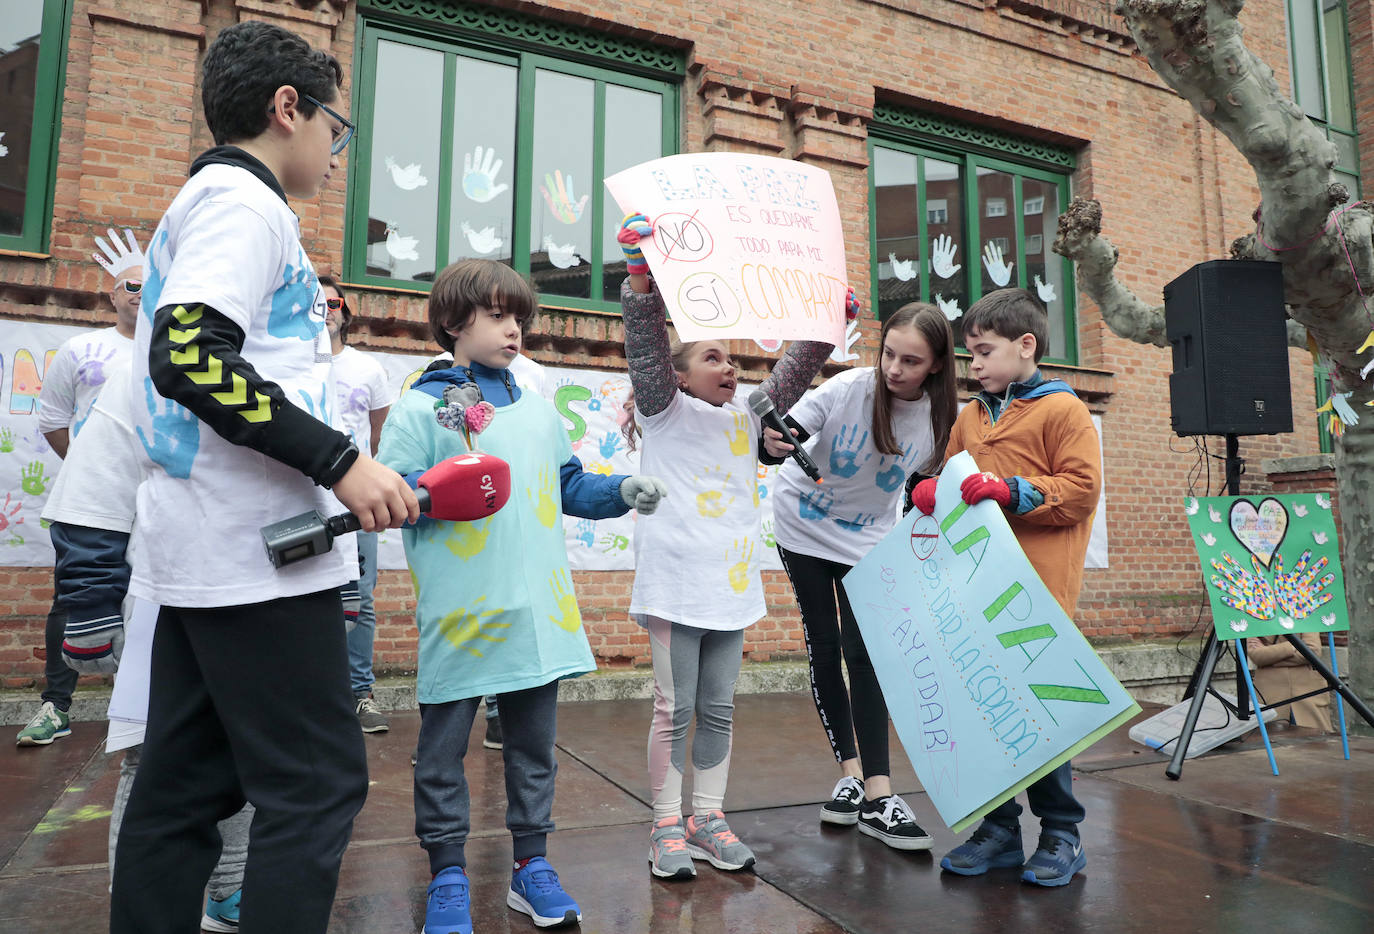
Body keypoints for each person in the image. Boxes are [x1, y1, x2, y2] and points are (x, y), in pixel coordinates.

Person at [110, 22, 419, 934]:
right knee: (318, 787)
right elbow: (187, 355)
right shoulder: (247, 207)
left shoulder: (208, 202)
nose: (334, 148)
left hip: (212, 549)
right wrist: (341, 459)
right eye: (336, 126)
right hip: (253, 555)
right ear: (289, 108)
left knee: (184, 789)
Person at [377, 257, 666, 934]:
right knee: (442, 754)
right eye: (499, 315)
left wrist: (620, 491)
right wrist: (432, 489)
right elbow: (392, 494)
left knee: (534, 751)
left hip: (538, 615)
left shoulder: (537, 411)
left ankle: (532, 866)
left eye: (521, 318)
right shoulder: (420, 405)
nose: (515, 330)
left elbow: (567, 484)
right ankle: (448, 874)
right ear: (453, 321)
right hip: (462, 614)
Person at [617, 213, 833, 880]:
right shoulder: (664, 409)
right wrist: (640, 282)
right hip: (674, 587)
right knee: (672, 709)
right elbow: (647, 347)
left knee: (716, 706)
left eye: (732, 358)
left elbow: (794, 374)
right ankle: (664, 827)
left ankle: (706, 817)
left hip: (730, 587)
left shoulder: (746, 417)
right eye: (712, 357)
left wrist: (826, 324)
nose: (729, 367)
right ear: (677, 377)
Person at [39, 359, 254, 930]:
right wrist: (88, 607)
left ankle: (229, 891)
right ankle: (146, 914)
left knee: (248, 757)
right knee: (155, 761)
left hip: (264, 603)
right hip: (165, 599)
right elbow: (92, 489)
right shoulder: (145, 373)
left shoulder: (294, 367)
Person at [910, 287, 1101, 887]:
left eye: (985, 352)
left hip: (1036, 593)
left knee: (1039, 715)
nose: (976, 366)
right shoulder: (970, 415)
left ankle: (1062, 833)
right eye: (970, 356)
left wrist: (1011, 491)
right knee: (985, 711)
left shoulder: (1062, 410)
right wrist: (930, 492)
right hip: (976, 589)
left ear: (1027, 346)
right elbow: (951, 474)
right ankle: (998, 830)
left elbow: (1081, 490)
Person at [761, 302, 957, 850]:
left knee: (865, 653)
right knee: (823, 643)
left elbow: (927, 485)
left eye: (911, 361)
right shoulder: (849, 389)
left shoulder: (942, 419)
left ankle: (880, 793)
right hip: (802, 523)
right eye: (889, 354)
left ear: (937, 366)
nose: (894, 369)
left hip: (868, 535)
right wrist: (775, 441)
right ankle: (850, 776)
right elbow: (782, 436)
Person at [15, 230, 142, 748]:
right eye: (130, 284)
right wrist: (94, 470)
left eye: (150, 285)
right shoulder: (80, 348)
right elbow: (51, 421)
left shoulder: (174, 351)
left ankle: (134, 706)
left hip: (154, 498)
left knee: (144, 597)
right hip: (92, 502)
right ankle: (56, 706)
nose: (140, 292)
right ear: (112, 293)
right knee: (75, 598)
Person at [321, 275, 398, 734]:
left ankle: (360, 693)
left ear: (346, 312)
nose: (327, 308)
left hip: (356, 503)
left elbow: (379, 438)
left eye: (334, 301)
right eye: (319, 301)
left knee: (360, 599)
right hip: (302, 497)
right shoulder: (290, 364)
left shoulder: (367, 369)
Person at [1248, 633, 1333, 731]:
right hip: (1271, 692)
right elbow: (1257, 656)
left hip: (1306, 691)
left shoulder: (1306, 618)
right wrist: (1293, 645)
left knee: (1315, 740)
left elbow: (1312, 651)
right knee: (1273, 740)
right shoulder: (1255, 619)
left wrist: (1271, 661)